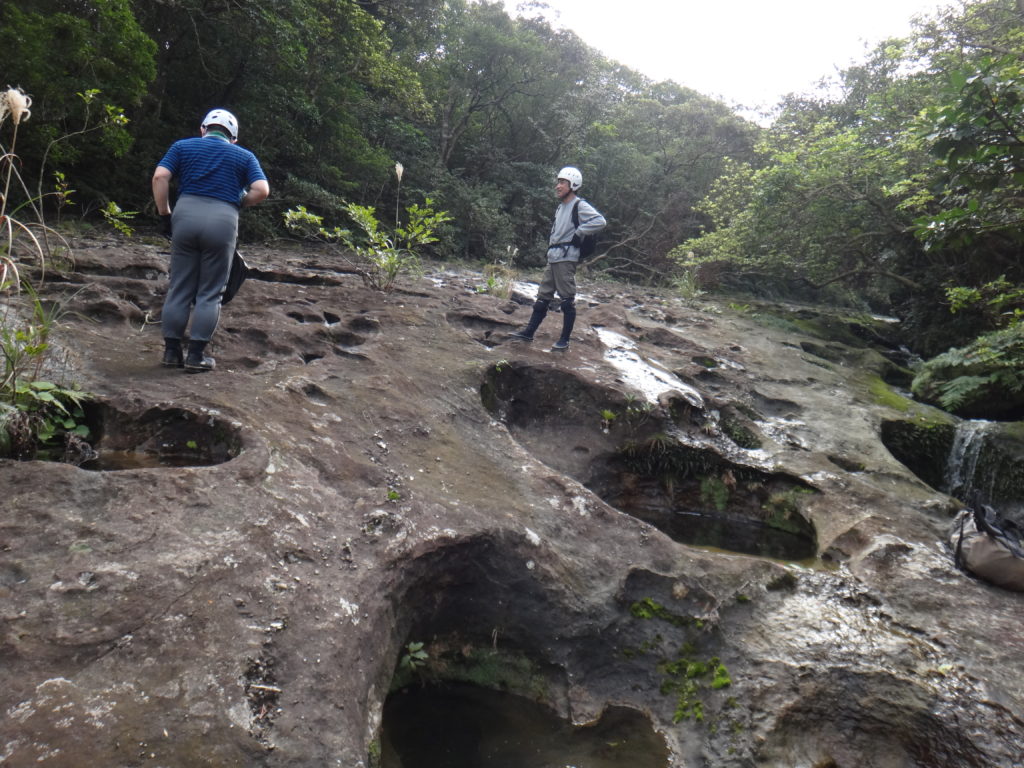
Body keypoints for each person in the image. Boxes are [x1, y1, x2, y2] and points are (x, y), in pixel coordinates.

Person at [152, 108, 269, 372]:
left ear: (203, 129)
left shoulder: (182, 146)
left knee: (180, 286)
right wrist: (240, 201)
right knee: (210, 292)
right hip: (223, 220)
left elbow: (160, 177)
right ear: (233, 138)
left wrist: (164, 214)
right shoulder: (244, 156)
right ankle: (196, 357)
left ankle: (171, 353)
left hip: (185, 215)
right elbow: (262, 190)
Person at [509, 166, 605, 349]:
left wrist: (580, 232)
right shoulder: (561, 207)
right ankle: (528, 333)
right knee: (542, 298)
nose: (558, 186)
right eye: (558, 181)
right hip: (553, 257)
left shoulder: (579, 205)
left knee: (567, 300)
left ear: (573, 185)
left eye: (562, 182)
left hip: (567, 257)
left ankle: (564, 341)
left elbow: (600, 221)